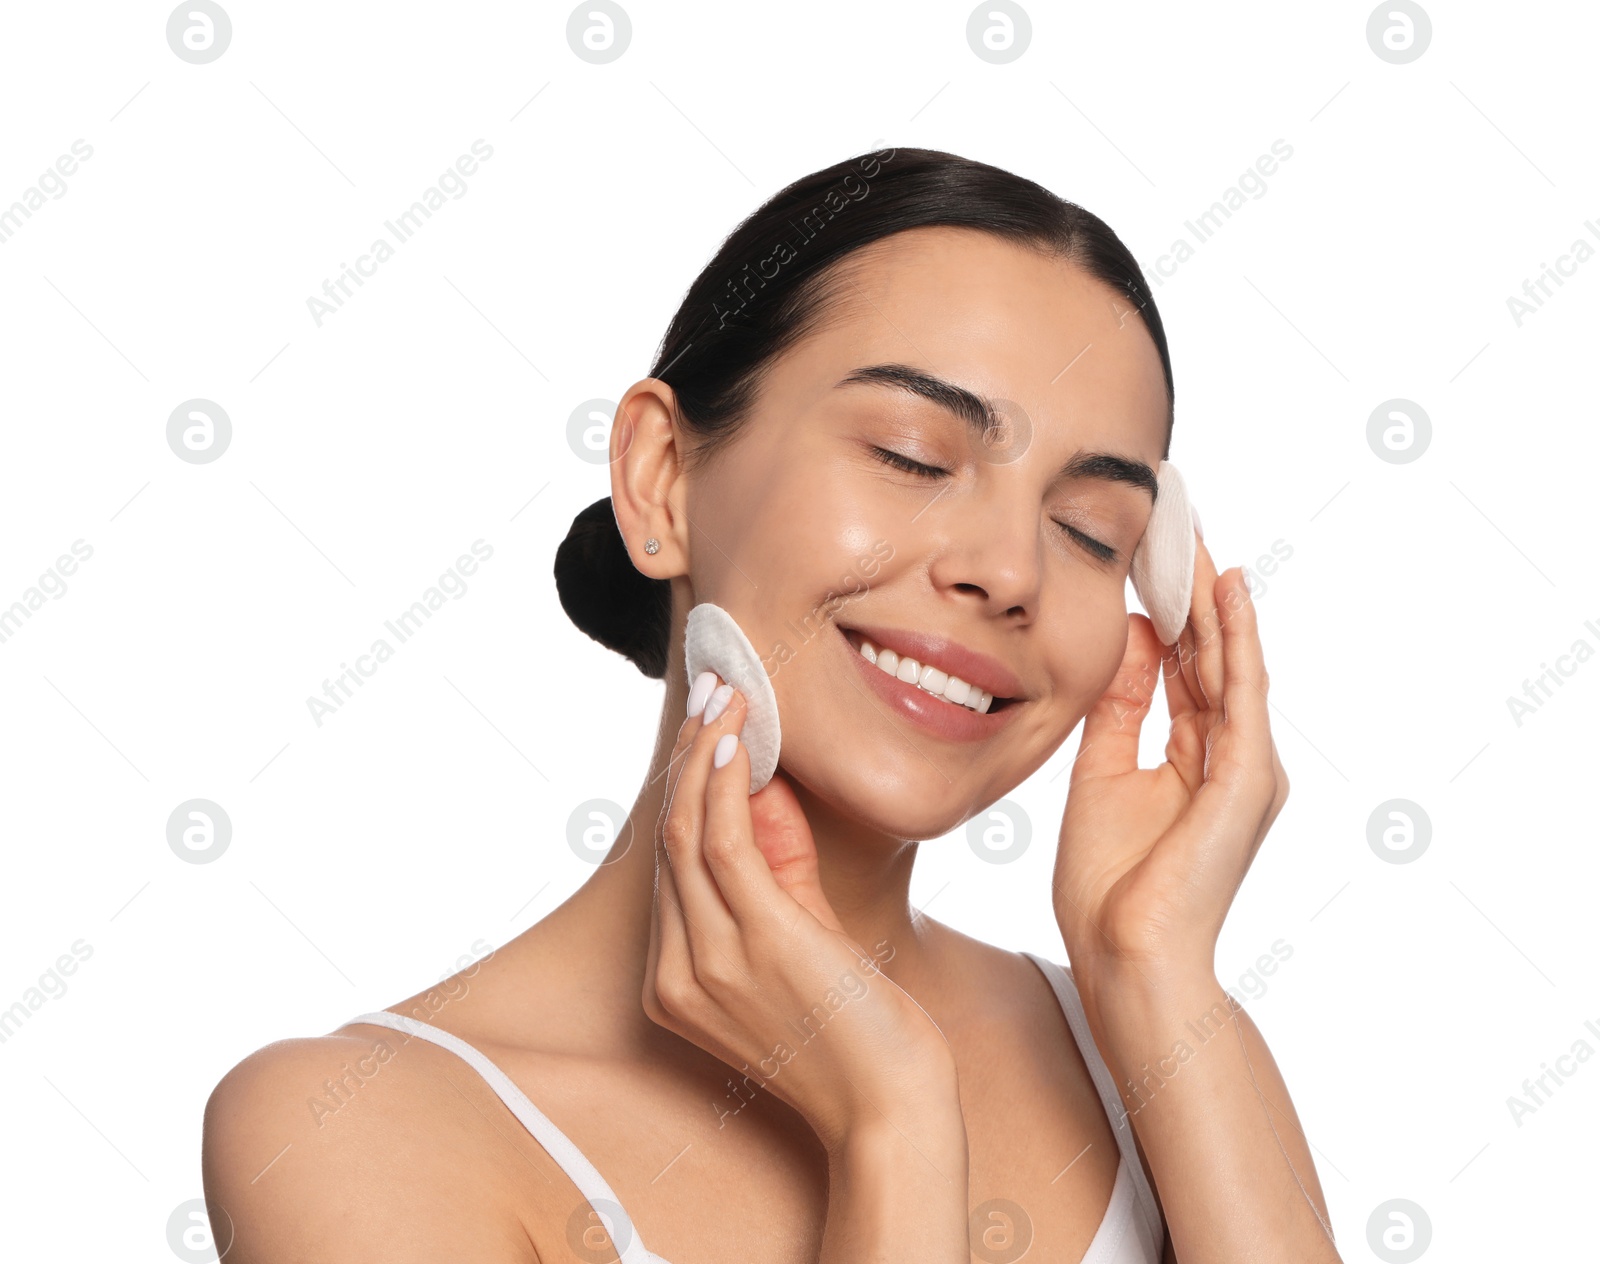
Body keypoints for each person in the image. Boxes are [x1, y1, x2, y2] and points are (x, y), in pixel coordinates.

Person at [202, 147, 1335, 1263]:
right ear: (661, 477)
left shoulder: (1153, 1041)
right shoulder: (345, 1128)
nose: (1010, 570)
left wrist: (1153, 967)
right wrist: (888, 1120)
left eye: (1092, 530)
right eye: (909, 454)